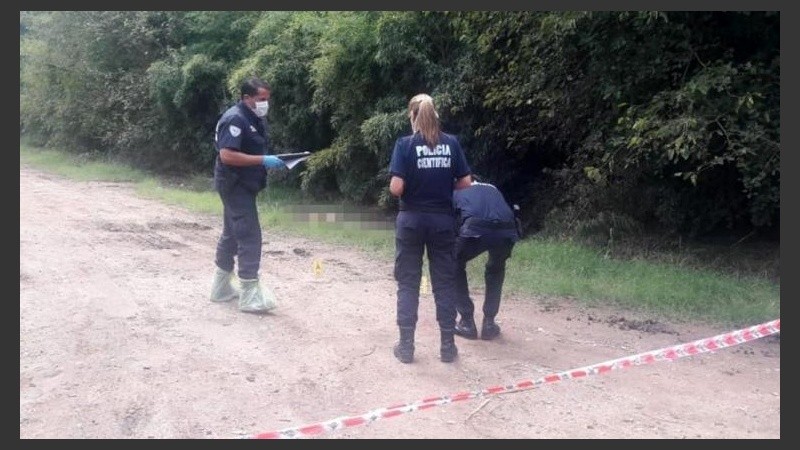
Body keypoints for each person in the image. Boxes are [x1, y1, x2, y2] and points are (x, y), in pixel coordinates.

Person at [388, 93, 472, 363]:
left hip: (411, 221)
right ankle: (447, 347)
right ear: (435, 114)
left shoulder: (405, 144)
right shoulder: (451, 143)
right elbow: (466, 182)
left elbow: (396, 188)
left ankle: (406, 347)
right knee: (444, 283)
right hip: (442, 222)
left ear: (412, 116)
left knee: (409, 284)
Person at [209, 76, 287, 313]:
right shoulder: (235, 118)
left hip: (244, 184)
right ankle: (250, 294)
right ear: (247, 98)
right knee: (249, 235)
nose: (265, 103)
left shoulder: (253, 117)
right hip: (234, 185)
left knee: (232, 233)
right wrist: (264, 160)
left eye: (267, 99)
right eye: (261, 99)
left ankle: (221, 287)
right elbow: (227, 155)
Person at [452, 177, 521, 340]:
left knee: (452, 264)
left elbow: (452, 224)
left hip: (476, 227)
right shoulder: (491, 187)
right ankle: (489, 323)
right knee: (496, 269)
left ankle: (467, 322)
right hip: (508, 230)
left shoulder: (455, 190)